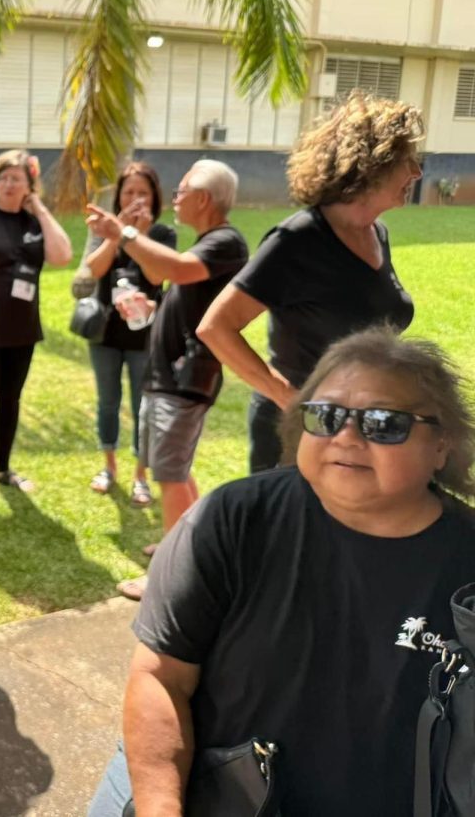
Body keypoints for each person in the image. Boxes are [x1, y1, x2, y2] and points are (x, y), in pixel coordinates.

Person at [86, 328, 475, 817]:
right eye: (326, 416)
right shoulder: (232, 519)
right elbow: (161, 676)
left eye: (383, 422)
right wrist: (161, 807)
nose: (346, 437)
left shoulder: (466, 561)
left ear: (442, 444)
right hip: (211, 791)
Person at [198, 91, 421, 474]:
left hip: (358, 424)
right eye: (409, 161)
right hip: (300, 434)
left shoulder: (377, 233)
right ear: (373, 163)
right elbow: (215, 327)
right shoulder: (298, 239)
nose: (417, 173)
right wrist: (289, 398)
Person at [86, 159, 248, 600]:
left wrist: (123, 233)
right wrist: (151, 308)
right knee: (174, 471)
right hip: (167, 379)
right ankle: (191, 546)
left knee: (171, 476)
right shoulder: (206, 243)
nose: (174, 199)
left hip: (185, 380)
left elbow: (175, 270)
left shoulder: (225, 242)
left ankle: (171, 574)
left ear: (205, 199)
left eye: (181, 190)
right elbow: (164, 278)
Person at [0, 149, 72, 509]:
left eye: (17, 179)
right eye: (4, 178)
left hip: (22, 330)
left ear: (29, 186)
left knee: (11, 400)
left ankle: (2, 468)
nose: (9, 185)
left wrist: (39, 210)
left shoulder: (32, 222)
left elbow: (61, 257)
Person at [82, 162, 177, 508]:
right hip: (106, 334)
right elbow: (93, 271)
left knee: (143, 406)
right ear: (118, 196)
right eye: (129, 192)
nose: (135, 199)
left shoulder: (162, 234)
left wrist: (140, 237)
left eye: (142, 193)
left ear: (154, 197)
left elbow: (158, 274)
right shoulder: (108, 229)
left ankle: (140, 475)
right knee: (107, 401)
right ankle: (109, 467)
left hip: (145, 335)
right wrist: (117, 233)